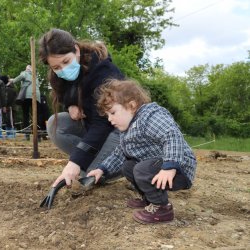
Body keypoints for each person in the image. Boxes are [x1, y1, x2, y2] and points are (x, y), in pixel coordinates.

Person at [87, 79, 197, 224]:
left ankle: (162, 208)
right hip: (158, 167)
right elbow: (119, 154)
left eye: (113, 112)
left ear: (131, 105)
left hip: (179, 167)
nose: (110, 119)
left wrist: (170, 166)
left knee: (142, 169)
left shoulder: (150, 116)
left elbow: (171, 134)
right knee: (128, 167)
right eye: (107, 115)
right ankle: (150, 200)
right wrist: (102, 169)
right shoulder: (126, 130)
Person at [38, 28, 124, 187]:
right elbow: (67, 93)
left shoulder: (104, 73)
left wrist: (75, 162)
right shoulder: (62, 77)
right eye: (56, 68)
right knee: (55, 123)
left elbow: (102, 123)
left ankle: (123, 162)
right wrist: (70, 104)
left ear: (76, 50)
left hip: (118, 132)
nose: (63, 70)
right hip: (93, 128)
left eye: (66, 62)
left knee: (86, 177)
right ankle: (95, 160)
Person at [9, 65, 42, 141]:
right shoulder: (35, 76)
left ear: (27, 69)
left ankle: (27, 135)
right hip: (36, 96)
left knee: (26, 115)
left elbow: (21, 76)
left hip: (27, 96)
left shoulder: (25, 73)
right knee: (36, 116)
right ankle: (38, 136)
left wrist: (12, 81)